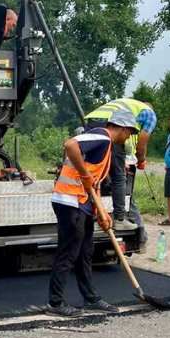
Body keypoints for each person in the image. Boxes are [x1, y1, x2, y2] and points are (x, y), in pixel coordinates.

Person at [47, 110, 140, 316]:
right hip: (69, 201)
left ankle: (90, 298)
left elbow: (93, 182)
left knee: (85, 253)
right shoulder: (101, 136)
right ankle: (55, 303)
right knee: (68, 253)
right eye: (130, 132)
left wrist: (101, 211)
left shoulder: (106, 148)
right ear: (122, 128)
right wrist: (83, 173)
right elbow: (70, 145)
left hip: (82, 203)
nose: (128, 137)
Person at [83, 97, 157, 249]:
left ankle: (92, 211)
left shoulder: (130, 107)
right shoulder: (150, 115)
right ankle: (119, 218)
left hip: (91, 124)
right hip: (109, 126)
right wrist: (141, 158)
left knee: (97, 170)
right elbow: (142, 141)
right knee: (119, 177)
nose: (131, 133)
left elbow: (130, 140)